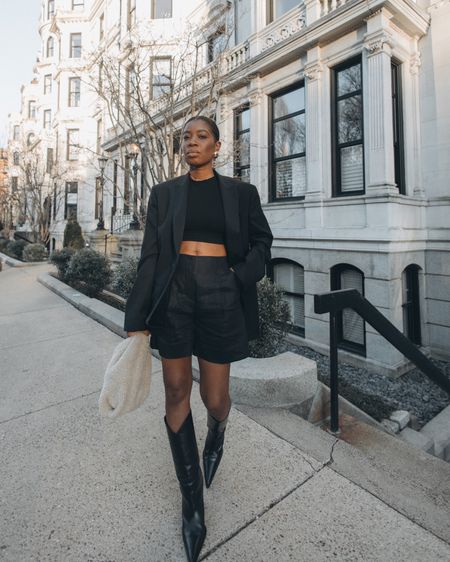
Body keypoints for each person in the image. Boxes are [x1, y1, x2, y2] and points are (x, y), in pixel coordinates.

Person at [124, 115, 273, 562]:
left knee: (213, 397)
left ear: (217, 147)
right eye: (186, 138)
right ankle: (193, 506)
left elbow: (263, 243)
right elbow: (151, 254)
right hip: (174, 292)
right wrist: (137, 313)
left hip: (221, 292)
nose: (191, 143)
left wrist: (236, 278)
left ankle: (218, 431)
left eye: (201, 137)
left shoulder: (241, 194)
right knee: (174, 390)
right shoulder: (164, 194)